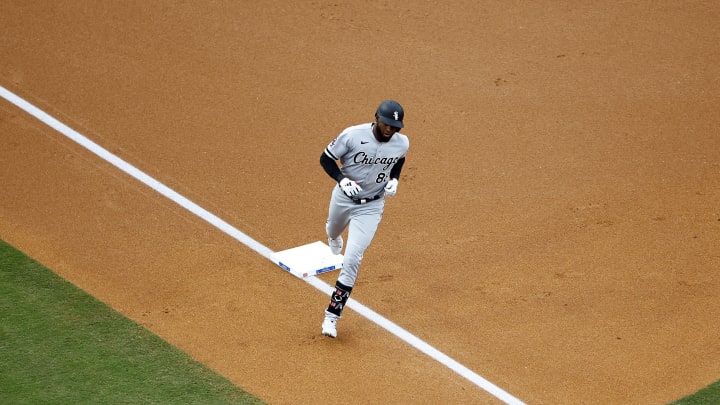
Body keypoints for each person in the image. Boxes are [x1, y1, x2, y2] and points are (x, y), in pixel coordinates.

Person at [319, 100, 410, 338]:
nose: (390, 129)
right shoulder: (352, 135)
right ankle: (333, 233)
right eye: (387, 124)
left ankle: (332, 316)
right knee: (333, 229)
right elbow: (326, 158)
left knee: (351, 259)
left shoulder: (402, 143)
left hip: (371, 207)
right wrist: (341, 179)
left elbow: (399, 160)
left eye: (395, 126)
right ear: (377, 119)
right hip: (344, 198)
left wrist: (394, 180)